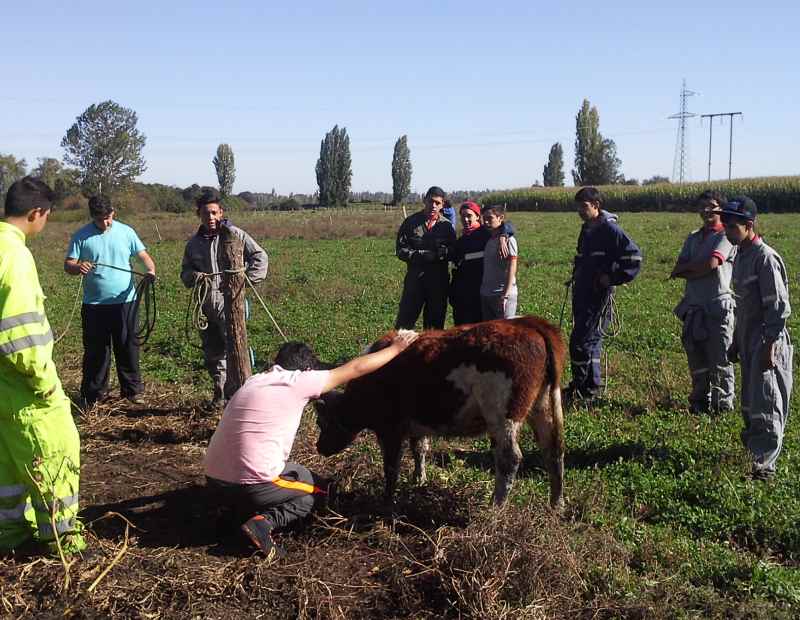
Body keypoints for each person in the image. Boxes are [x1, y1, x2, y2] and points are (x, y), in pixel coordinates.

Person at [204, 330, 418, 559]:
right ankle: (263, 524)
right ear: (307, 370)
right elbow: (356, 369)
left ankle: (232, 511)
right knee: (319, 491)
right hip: (251, 485)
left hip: (212, 480)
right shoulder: (301, 381)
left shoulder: (254, 380)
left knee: (294, 472)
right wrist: (396, 348)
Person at [0, 177, 85, 556]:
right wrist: (44, 382)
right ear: (36, 213)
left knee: (7, 464)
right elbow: (18, 333)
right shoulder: (15, 256)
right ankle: (64, 542)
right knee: (54, 453)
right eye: (47, 216)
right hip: (24, 388)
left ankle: (10, 535)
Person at [720, 196, 793, 480]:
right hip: (748, 338)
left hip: (766, 341)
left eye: (732, 225)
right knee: (751, 403)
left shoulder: (766, 258)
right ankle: (754, 455)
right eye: (725, 224)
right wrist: (737, 341)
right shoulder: (740, 255)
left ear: (749, 225)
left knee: (767, 402)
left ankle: (764, 468)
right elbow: (743, 304)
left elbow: (778, 308)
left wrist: (770, 346)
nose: (727, 230)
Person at [65, 195, 156, 407]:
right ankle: (93, 395)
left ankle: (132, 391)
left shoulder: (126, 231)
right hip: (94, 305)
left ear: (113, 212)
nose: (106, 222)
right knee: (96, 351)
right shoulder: (81, 236)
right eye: (100, 219)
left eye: (109, 217)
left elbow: (142, 256)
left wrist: (150, 269)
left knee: (128, 347)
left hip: (125, 302)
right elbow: (68, 264)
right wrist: (77, 267)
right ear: (92, 217)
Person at [180, 188, 268, 408]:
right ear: (198, 215)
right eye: (205, 213)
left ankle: (242, 397)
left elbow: (260, 256)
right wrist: (193, 276)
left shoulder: (234, 234)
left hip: (230, 300)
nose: (210, 218)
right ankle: (219, 394)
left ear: (221, 213)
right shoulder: (193, 244)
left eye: (213, 213)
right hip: (204, 303)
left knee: (236, 348)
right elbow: (185, 272)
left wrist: (244, 281)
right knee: (213, 351)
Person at [565, 187, 642, 403]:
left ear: (596, 206)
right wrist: (577, 275)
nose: (580, 210)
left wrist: (611, 278)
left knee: (581, 341)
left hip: (598, 296)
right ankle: (588, 386)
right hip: (582, 293)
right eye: (578, 206)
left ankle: (584, 389)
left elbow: (634, 258)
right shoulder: (586, 230)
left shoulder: (611, 231)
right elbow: (584, 259)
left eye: (584, 206)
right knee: (589, 340)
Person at [670, 191, 737, 413]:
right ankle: (699, 403)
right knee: (696, 360)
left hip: (718, 307)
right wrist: (695, 269)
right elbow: (677, 269)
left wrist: (692, 268)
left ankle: (722, 407)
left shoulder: (727, 236)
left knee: (720, 360)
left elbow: (711, 264)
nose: (706, 211)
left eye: (711, 206)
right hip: (694, 307)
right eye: (702, 206)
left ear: (721, 209)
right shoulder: (693, 237)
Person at [394, 186, 456, 330]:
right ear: (424, 200)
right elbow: (400, 250)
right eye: (431, 201)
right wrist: (419, 255)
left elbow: (454, 251)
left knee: (434, 327)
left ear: (442, 205)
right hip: (415, 281)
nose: (433, 206)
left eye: (438, 203)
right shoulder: (411, 223)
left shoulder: (446, 226)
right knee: (404, 324)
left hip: (438, 283)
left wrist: (443, 252)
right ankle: (401, 352)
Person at [449, 201, 514, 325]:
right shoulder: (460, 240)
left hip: (481, 292)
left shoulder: (487, 233)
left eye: (469, 215)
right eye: (462, 216)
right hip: (462, 294)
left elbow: (508, 225)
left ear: (478, 216)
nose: (465, 219)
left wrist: (504, 234)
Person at [480, 204, 519, 320]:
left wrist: (505, 295)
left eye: (490, 218)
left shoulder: (509, 241)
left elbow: (512, 267)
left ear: (500, 218)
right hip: (486, 294)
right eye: (484, 219)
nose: (486, 222)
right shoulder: (489, 238)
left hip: (501, 295)